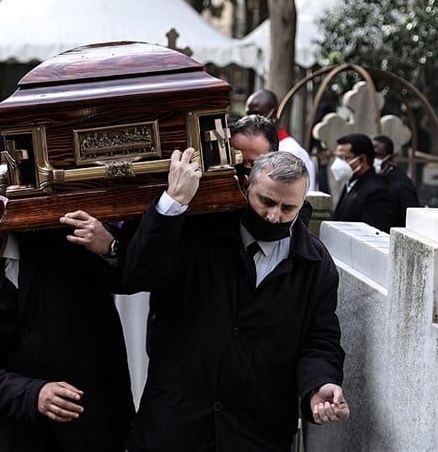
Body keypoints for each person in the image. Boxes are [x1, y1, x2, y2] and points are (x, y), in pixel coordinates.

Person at [119, 149, 348, 450]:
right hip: (175, 425)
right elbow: (138, 274)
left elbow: (320, 338)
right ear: (246, 186)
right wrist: (172, 202)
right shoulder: (198, 234)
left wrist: (319, 383)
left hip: (256, 434)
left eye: (288, 208)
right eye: (266, 201)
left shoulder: (315, 264)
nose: (274, 216)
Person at [0, 173, 134, 451]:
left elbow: (126, 279)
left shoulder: (57, 242)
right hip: (19, 436)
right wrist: (33, 394)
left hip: (95, 422)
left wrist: (110, 246)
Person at [245, 89, 317, 190]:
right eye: (248, 115)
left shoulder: (293, 152)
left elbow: (304, 194)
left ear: (274, 114)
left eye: (257, 114)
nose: (251, 120)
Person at [330, 133, 397, 233]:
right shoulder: (350, 183)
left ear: (361, 159)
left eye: (344, 158)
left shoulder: (376, 192)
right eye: (337, 157)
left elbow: (373, 234)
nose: (338, 163)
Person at [372, 134, 420, 227]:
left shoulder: (400, 186)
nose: (374, 159)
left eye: (378, 155)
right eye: (371, 155)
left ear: (390, 158)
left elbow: (410, 220)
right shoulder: (374, 178)